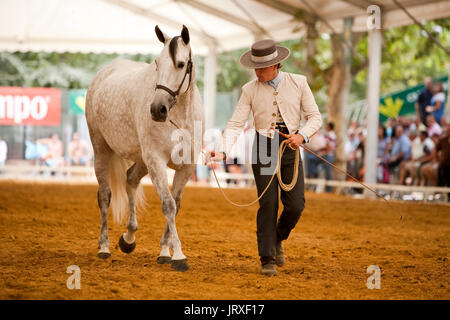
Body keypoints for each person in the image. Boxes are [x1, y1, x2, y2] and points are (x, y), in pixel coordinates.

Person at [205, 39, 322, 276]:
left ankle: (277, 237)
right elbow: (236, 122)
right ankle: (266, 258)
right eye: (255, 68)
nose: (257, 72)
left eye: (261, 68)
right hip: (263, 147)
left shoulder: (298, 83)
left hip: (291, 146)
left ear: (276, 65)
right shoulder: (249, 89)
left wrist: (302, 136)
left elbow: (315, 117)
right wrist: (223, 150)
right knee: (268, 204)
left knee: (296, 205)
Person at [436, 123, 450, 189]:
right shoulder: (443, 140)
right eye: (448, 130)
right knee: (442, 180)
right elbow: (436, 149)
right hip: (444, 164)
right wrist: (437, 159)